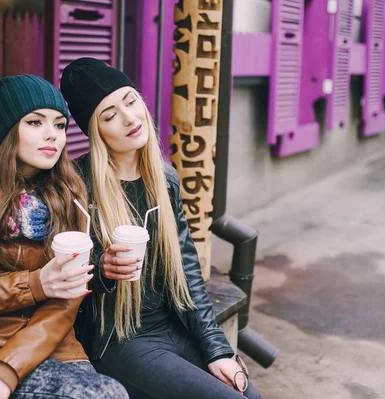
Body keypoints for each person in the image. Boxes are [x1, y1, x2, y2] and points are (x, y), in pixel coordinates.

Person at [60, 58, 264, 399]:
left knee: (248, 393)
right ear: (95, 132)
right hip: (121, 339)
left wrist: (217, 349)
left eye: (130, 101)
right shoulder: (77, 188)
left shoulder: (164, 178)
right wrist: (102, 273)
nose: (129, 118)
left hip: (173, 326)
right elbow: (62, 276)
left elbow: (186, 270)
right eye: (109, 115)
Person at [0, 74, 128, 399]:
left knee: (110, 394)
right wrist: (34, 285)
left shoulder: (69, 193)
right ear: (7, 130)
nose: (52, 136)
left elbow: (66, 300)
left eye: (60, 125)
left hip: (56, 347)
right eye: (35, 122)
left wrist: (9, 369)